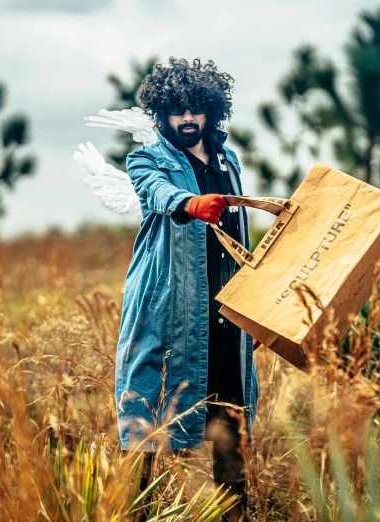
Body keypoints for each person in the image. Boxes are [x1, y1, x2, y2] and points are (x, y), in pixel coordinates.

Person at [115, 57, 258, 522]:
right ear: (162, 114)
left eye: (197, 108)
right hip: (166, 308)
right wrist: (189, 202)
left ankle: (232, 515)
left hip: (226, 311)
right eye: (177, 110)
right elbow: (154, 191)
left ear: (212, 111)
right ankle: (136, 514)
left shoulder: (228, 162)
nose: (188, 118)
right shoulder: (147, 159)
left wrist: (253, 308)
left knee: (229, 422)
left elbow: (241, 237)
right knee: (146, 418)